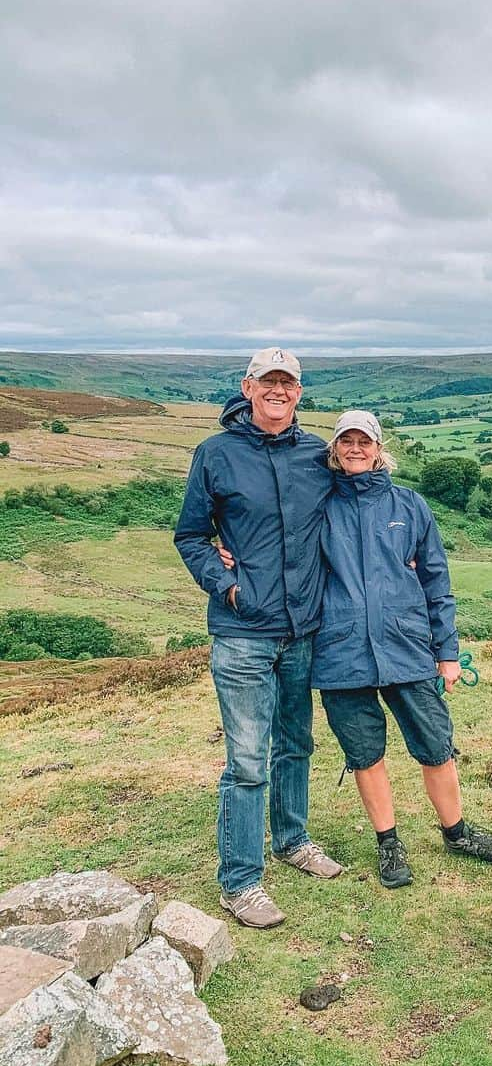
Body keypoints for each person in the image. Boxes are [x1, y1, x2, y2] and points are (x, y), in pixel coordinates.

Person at [174, 347, 341, 929]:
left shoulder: (318, 454)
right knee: (247, 761)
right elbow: (192, 535)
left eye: (287, 382)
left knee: (296, 744)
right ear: (248, 388)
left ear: (299, 391)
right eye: (267, 381)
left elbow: (358, 504)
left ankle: (292, 840)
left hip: (303, 631)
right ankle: (240, 883)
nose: (278, 390)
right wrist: (226, 586)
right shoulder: (215, 454)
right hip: (243, 631)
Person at [311, 410, 492, 888]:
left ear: (380, 450)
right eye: (347, 441)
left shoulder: (411, 506)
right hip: (341, 651)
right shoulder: (316, 507)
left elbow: (436, 580)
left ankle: (456, 833)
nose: (356, 448)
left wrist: (446, 651)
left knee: (436, 746)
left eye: (365, 441)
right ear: (335, 451)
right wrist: (222, 546)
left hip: (407, 647)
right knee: (365, 753)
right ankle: (388, 843)